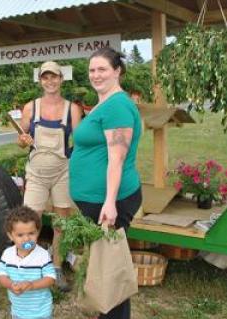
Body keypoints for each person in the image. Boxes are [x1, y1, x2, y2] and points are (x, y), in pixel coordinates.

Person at [69, 47, 143, 319]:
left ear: (117, 71)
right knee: (105, 265)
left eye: (102, 69)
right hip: (98, 200)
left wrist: (110, 202)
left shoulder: (118, 106)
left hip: (110, 201)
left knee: (111, 268)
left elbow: (117, 158)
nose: (95, 75)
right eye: (92, 70)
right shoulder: (104, 104)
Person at [17, 60, 82, 290]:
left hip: (62, 172)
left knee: (61, 224)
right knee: (29, 222)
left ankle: (56, 267)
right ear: (40, 80)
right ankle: (29, 266)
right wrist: (23, 140)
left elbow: (81, 141)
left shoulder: (72, 109)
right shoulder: (30, 108)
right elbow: (21, 140)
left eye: (54, 76)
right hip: (35, 173)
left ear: (61, 79)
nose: (50, 81)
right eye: (45, 77)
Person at [0, 206, 56, 319]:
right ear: (10, 235)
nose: (26, 239)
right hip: (18, 312)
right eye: (20, 235)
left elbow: (50, 278)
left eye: (31, 233)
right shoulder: (7, 254)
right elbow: (2, 276)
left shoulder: (43, 255)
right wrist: (10, 285)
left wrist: (32, 285)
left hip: (41, 312)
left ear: (38, 232)